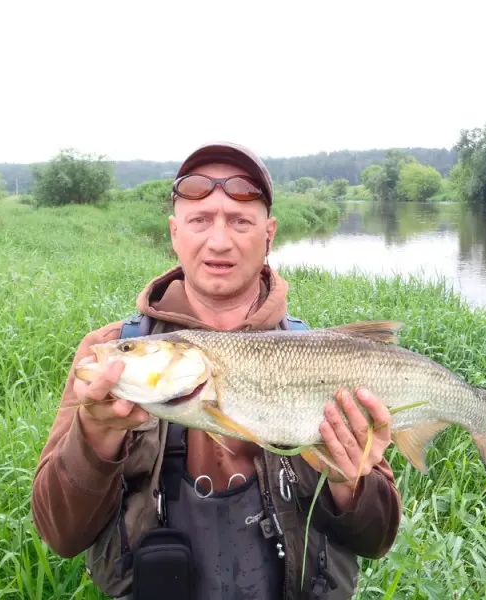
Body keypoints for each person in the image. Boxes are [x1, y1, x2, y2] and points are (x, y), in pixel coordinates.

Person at [31, 142, 403, 600]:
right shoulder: (105, 354)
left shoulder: (320, 354)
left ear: (269, 234)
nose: (219, 241)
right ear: (174, 232)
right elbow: (60, 536)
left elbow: (376, 540)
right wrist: (94, 437)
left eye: (240, 221)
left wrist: (352, 484)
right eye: (200, 220)